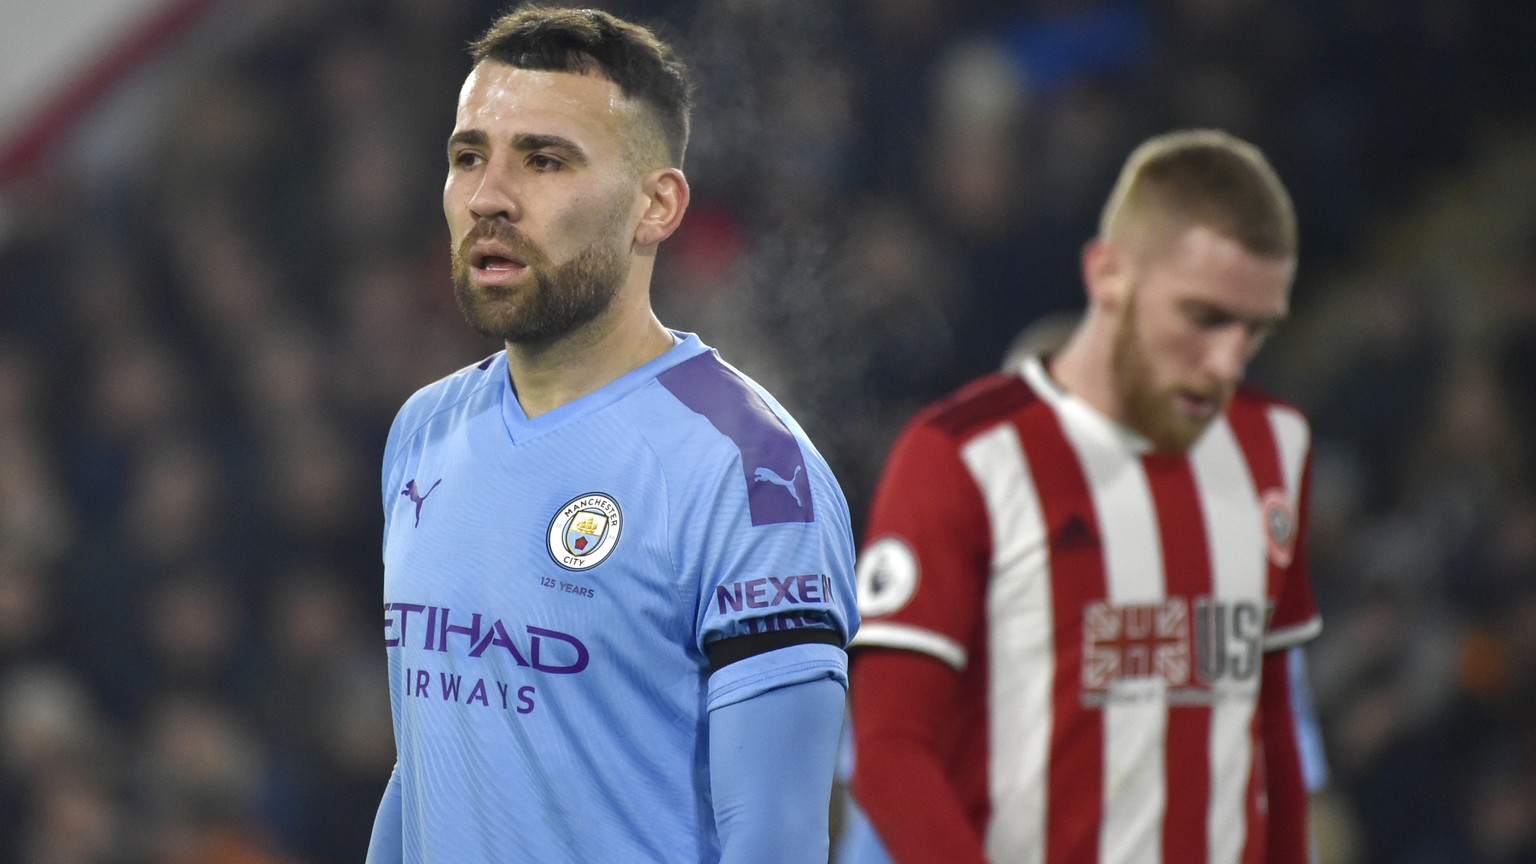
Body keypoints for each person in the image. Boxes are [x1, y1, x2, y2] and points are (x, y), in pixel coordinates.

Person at [363, 7, 859, 862]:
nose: (489, 197)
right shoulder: (423, 431)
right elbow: (428, 772)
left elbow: (775, 842)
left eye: (545, 160)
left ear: (655, 206)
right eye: (469, 157)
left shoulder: (752, 476)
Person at [842, 129, 1322, 863]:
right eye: (1203, 317)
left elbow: (1277, 737)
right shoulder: (958, 457)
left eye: (1256, 329)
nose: (1228, 361)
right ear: (1109, 277)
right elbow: (887, 753)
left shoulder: (1272, 450)